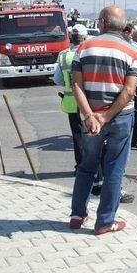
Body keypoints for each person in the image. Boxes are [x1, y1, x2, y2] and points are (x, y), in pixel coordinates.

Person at [69, 6, 137, 235]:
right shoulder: (133, 52)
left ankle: (77, 214)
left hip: (91, 120)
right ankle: (105, 222)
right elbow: (130, 91)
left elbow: (76, 85)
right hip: (120, 118)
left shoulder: (83, 48)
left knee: (86, 167)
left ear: (101, 23)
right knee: (114, 171)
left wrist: (91, 116)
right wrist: (106, 116)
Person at [52, 24, 90, 171]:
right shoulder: (88, 53)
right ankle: (93, 166)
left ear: (71, 38)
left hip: (71, 102)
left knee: (77, 135)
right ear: (85, 38)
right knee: (93, 134)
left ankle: (80, 165)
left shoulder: (63, 56)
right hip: (88, 101)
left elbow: (58, 80)